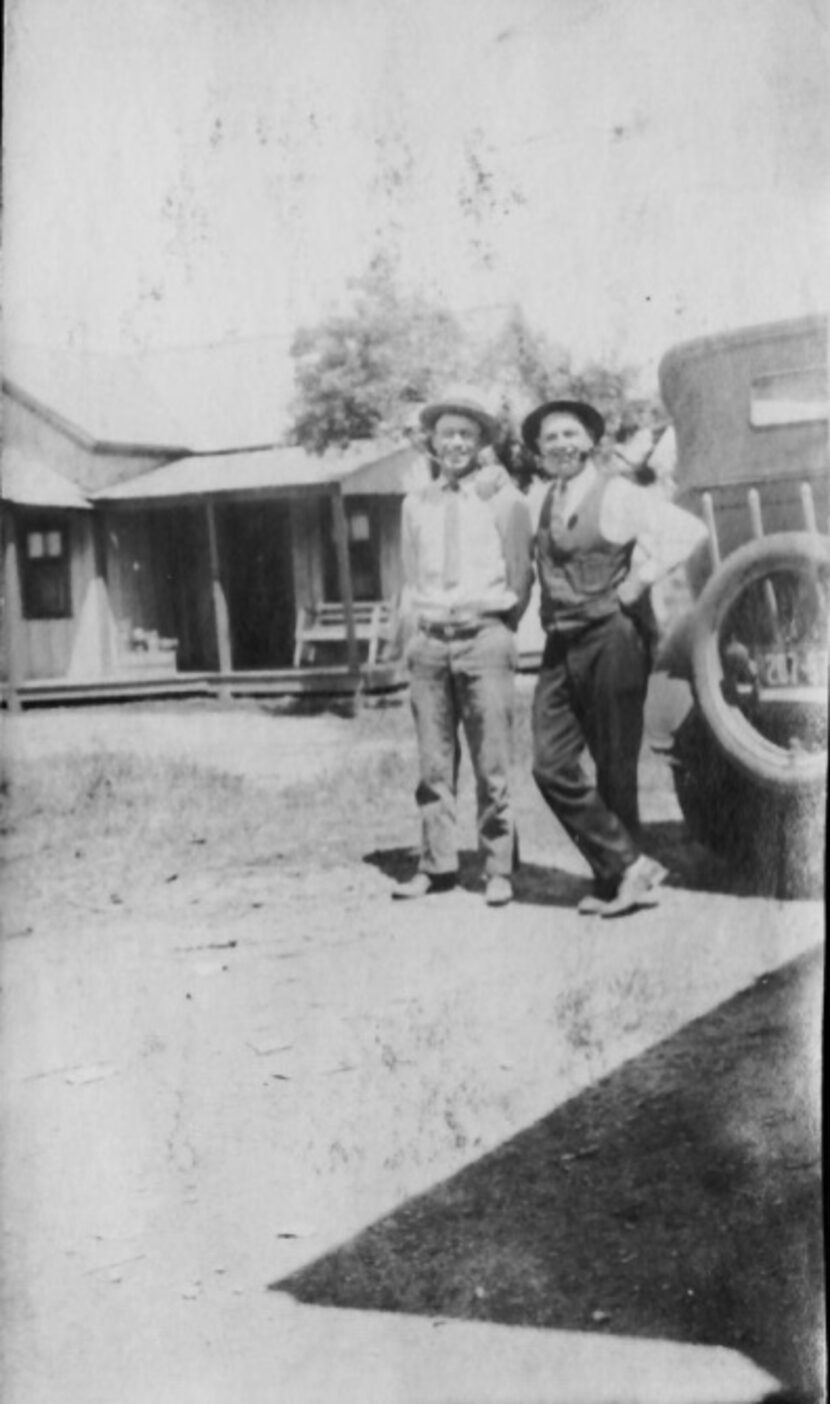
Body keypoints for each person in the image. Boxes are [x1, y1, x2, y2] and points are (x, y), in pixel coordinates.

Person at [522, 398, 708, 916]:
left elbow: (687, 532)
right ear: (539, 451)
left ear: (588, 442)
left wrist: (638, 584)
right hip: (562, 642)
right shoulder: (544, 498)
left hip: (613, 636)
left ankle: (615, 880)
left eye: (569, 434)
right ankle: (628, 865)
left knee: (614, 765)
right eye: (549, 438)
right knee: (550, 763)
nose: (560, 444)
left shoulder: (618, 492)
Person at [392, 393, 534, 906]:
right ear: (432, 440)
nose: (455, 443)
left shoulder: (504, 499)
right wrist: (418, 633)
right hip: (430, 642)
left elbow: (520, 575)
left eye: (466, 435)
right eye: (447, 433)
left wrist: (493, 626)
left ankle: (498, 867)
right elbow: (410, 574)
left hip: (484, 638)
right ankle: (437, 864)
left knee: (491, 761)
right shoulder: (416, 504)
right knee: (433, 764)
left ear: (480, 444)